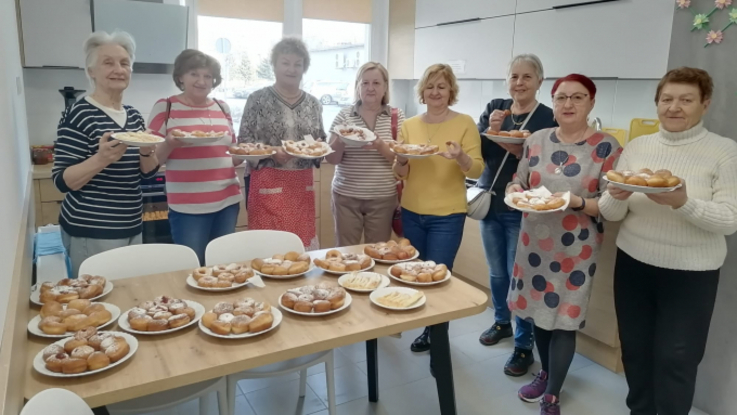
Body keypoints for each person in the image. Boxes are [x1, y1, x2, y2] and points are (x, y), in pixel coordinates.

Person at [599, 67, 737, 415]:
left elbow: (730, 219)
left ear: (704, 104)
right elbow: (611, 213)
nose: (674, 107)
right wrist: (615, 194)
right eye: (667, 99)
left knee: (677, 357)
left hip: (692, 273)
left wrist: (683, 203)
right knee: (635, 350)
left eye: (686, 100)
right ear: (657, 103)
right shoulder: (638, 146)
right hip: (634, 264)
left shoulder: (725, 151)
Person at [506, 74, 621, 415]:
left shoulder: (607, 147)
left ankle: (553, 392)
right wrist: (514, 190)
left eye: (578, 98)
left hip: (576, 249)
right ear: (553, 102)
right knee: (541, 315)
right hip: (533, 244)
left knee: (565, 318)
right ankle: (545, 371)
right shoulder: (537, 140)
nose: (568, 104)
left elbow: (609, 204)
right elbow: (520, 179)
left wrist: (577, 202)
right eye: (561, 98)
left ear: (591, 103)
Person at [476, 54, 557, 377]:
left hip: (522, 207)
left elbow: (547, 165)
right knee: (497, 273)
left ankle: (524, 345)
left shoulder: (547, 118)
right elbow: (480, 154)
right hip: (492, 202)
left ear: (539, 81)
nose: (519, 83)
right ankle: (501, 322)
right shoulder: (496, 107)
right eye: (514, 77)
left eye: (526, 77)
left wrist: (514, 147)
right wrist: (493, 129)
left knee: (518, 276)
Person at [395, 64, 484, 358]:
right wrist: (401, 160)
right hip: (412, 212)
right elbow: (401, 173)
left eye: (442, 87)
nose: (436, 92)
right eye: (430, 86)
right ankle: (427, 329)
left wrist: (460, 157)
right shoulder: (409, 125)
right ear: (423, 91)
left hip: (448, 215)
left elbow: (478, 168)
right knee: (417, 275)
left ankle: (439, 339)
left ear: (451, 92)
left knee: (440, 277)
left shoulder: (465, 123)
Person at [52, 31, 159, 278]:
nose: (118, 69)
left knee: (129, 294)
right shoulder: (79, 113)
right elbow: (62, 180)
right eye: (107, 62)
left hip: (132, 224)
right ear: (91, 71)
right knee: (98, 304)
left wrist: (147, 151)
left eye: (124, 63)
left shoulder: (133, 115)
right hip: (93, 230)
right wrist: (101, 159)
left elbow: (147, 174)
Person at [148, 49, 242, 265]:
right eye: (194, 74)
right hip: (188, 207)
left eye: (208, 76)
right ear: (180, 76)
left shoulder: (222, 107)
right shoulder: (166, 107)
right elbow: (150, 160)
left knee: (223, 267)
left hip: (228, 200)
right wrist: (170, 143)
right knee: (192, 268)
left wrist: (251, 156)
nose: (202, 81)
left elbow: (233, 153)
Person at [238, 37, 326, 250]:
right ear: (274, 65)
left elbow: (319, 141)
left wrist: (315, 148)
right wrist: (270, 152)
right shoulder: (257, 99)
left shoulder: (313, 104)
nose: (292, 69)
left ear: (304, 68)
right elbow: (244, 142)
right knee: (268, 249)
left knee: (299, 250)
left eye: (298, 64)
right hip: (266, 181)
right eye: (285, 62)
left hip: (301, 185)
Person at [325, 62, 405, 246]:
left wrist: (380, 145)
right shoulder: (344, 116)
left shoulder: (396, 116)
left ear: (385, 87)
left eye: (376, 83)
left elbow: (402, 159)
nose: (370, 88)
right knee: (347, 254)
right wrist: (340, 139)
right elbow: (331, 159)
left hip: (382, 197)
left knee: (378, 253)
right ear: (357, 87)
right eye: (365, 83)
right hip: (346, 196)